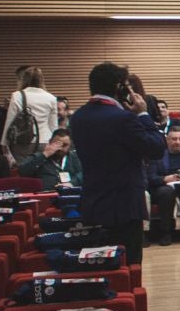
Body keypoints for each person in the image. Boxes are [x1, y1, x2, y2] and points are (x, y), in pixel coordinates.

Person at [68, 62, 167, 268]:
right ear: (119, 88)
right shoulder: (123, 119)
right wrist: (142, 114)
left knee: (102, 264)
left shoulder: (78, 117)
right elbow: (157, 148)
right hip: (124, 205)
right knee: (129, 266)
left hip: (93, 201)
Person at [144, 127, 180, 245]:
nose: (178, 142)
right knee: (165, 193)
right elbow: (151, 177)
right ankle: (165, 232)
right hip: (165, 186)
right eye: (174, 139)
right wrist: (165, 179)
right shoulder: (157, 155)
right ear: (167, 140)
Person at [1, 65, 56, 163]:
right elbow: (53, 125)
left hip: (23, 141)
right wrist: (54, 143)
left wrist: (4, 143)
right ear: (41, 79)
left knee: (24, 170)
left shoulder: (17, 96)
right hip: (45, 140)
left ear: (24, 79)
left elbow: (10, 120)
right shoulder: (51, 98)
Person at [16, 127, 83, 190]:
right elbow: (22, 172)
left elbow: (85, 173)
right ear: (50, 142)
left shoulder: (73, 158)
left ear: (70, 145)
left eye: (65, 145)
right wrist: (45, 154)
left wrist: (72, 183)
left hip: (69, 194)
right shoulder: (37, 157)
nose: (60, 148)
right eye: (57, 144)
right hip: (45, 196)